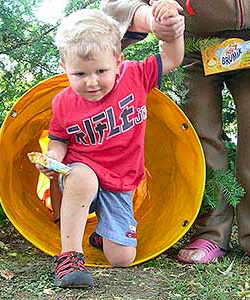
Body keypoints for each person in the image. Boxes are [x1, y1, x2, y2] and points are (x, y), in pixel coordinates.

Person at [102, 0, 250, 265]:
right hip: (194, 42)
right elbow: (116, 4)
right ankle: (209, 230)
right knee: (199, 129)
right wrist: (153, 19)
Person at [34, 4, 184, 288]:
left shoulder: (136, 76)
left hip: (122, 182)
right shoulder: (63, 102)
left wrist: (172, 31)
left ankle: (103, 234)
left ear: (118, 60)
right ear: (63, 68)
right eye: (79, 75)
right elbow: (58, 140)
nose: (91, 82)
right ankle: (70, 257)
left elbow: (173, 57)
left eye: (101, 71)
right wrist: (51, 160)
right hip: (82, 173)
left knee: (122, 258)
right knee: (81, 175)